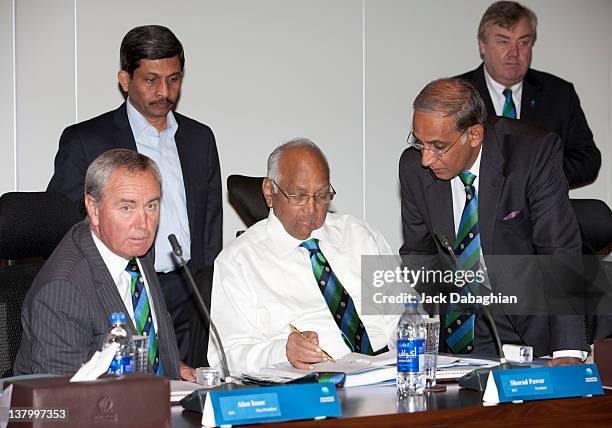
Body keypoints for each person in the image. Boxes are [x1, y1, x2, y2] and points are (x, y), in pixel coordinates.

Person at [47, 25, 222, 359]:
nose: (165, 91)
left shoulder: (200, 138)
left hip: (190, 292)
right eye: (151, 79)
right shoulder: (86, 140)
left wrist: (208, 284)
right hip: (122, 288)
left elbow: (210, 222)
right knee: (132, 395)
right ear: (125, 80)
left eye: (174, 78)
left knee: (187, 393)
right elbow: (66, 223)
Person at [399, 78, 589, 365]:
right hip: (455, 333)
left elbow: (559, 251)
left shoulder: (532, 153)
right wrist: (422, 329)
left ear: (474, 135)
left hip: (528, 331)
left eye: (438, 146)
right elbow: (419, 253)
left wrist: (568, 350)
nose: (426, 159)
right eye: (419, 142)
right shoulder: (413, 168)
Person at [208, 138, 403, 373]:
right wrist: (283, 351)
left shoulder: (359, 235)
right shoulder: (239, 261)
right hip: (311, 382)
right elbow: (226, 356)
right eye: (298, 196)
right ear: (269, 192)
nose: (312, 209)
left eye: (321, 196)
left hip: (388, 372)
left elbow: (402, 309)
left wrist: (407, 341)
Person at [15, 149, 195, 380]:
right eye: (126, 208)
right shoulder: (62, 289)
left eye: (151, 206)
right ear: (93, 209)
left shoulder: (135, 248)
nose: (144, 224)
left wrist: (174, 367)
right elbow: (62, 399)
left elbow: (145, 333)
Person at [456, 1, 600, 189]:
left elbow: (587, 160)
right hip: (475, 209)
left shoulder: (559, 94)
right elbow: (441, 156)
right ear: (482, 45)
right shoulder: (455, 94)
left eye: (523, 42)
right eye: (503, 42)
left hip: (541, 211)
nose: (514, 53)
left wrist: (537, 177)